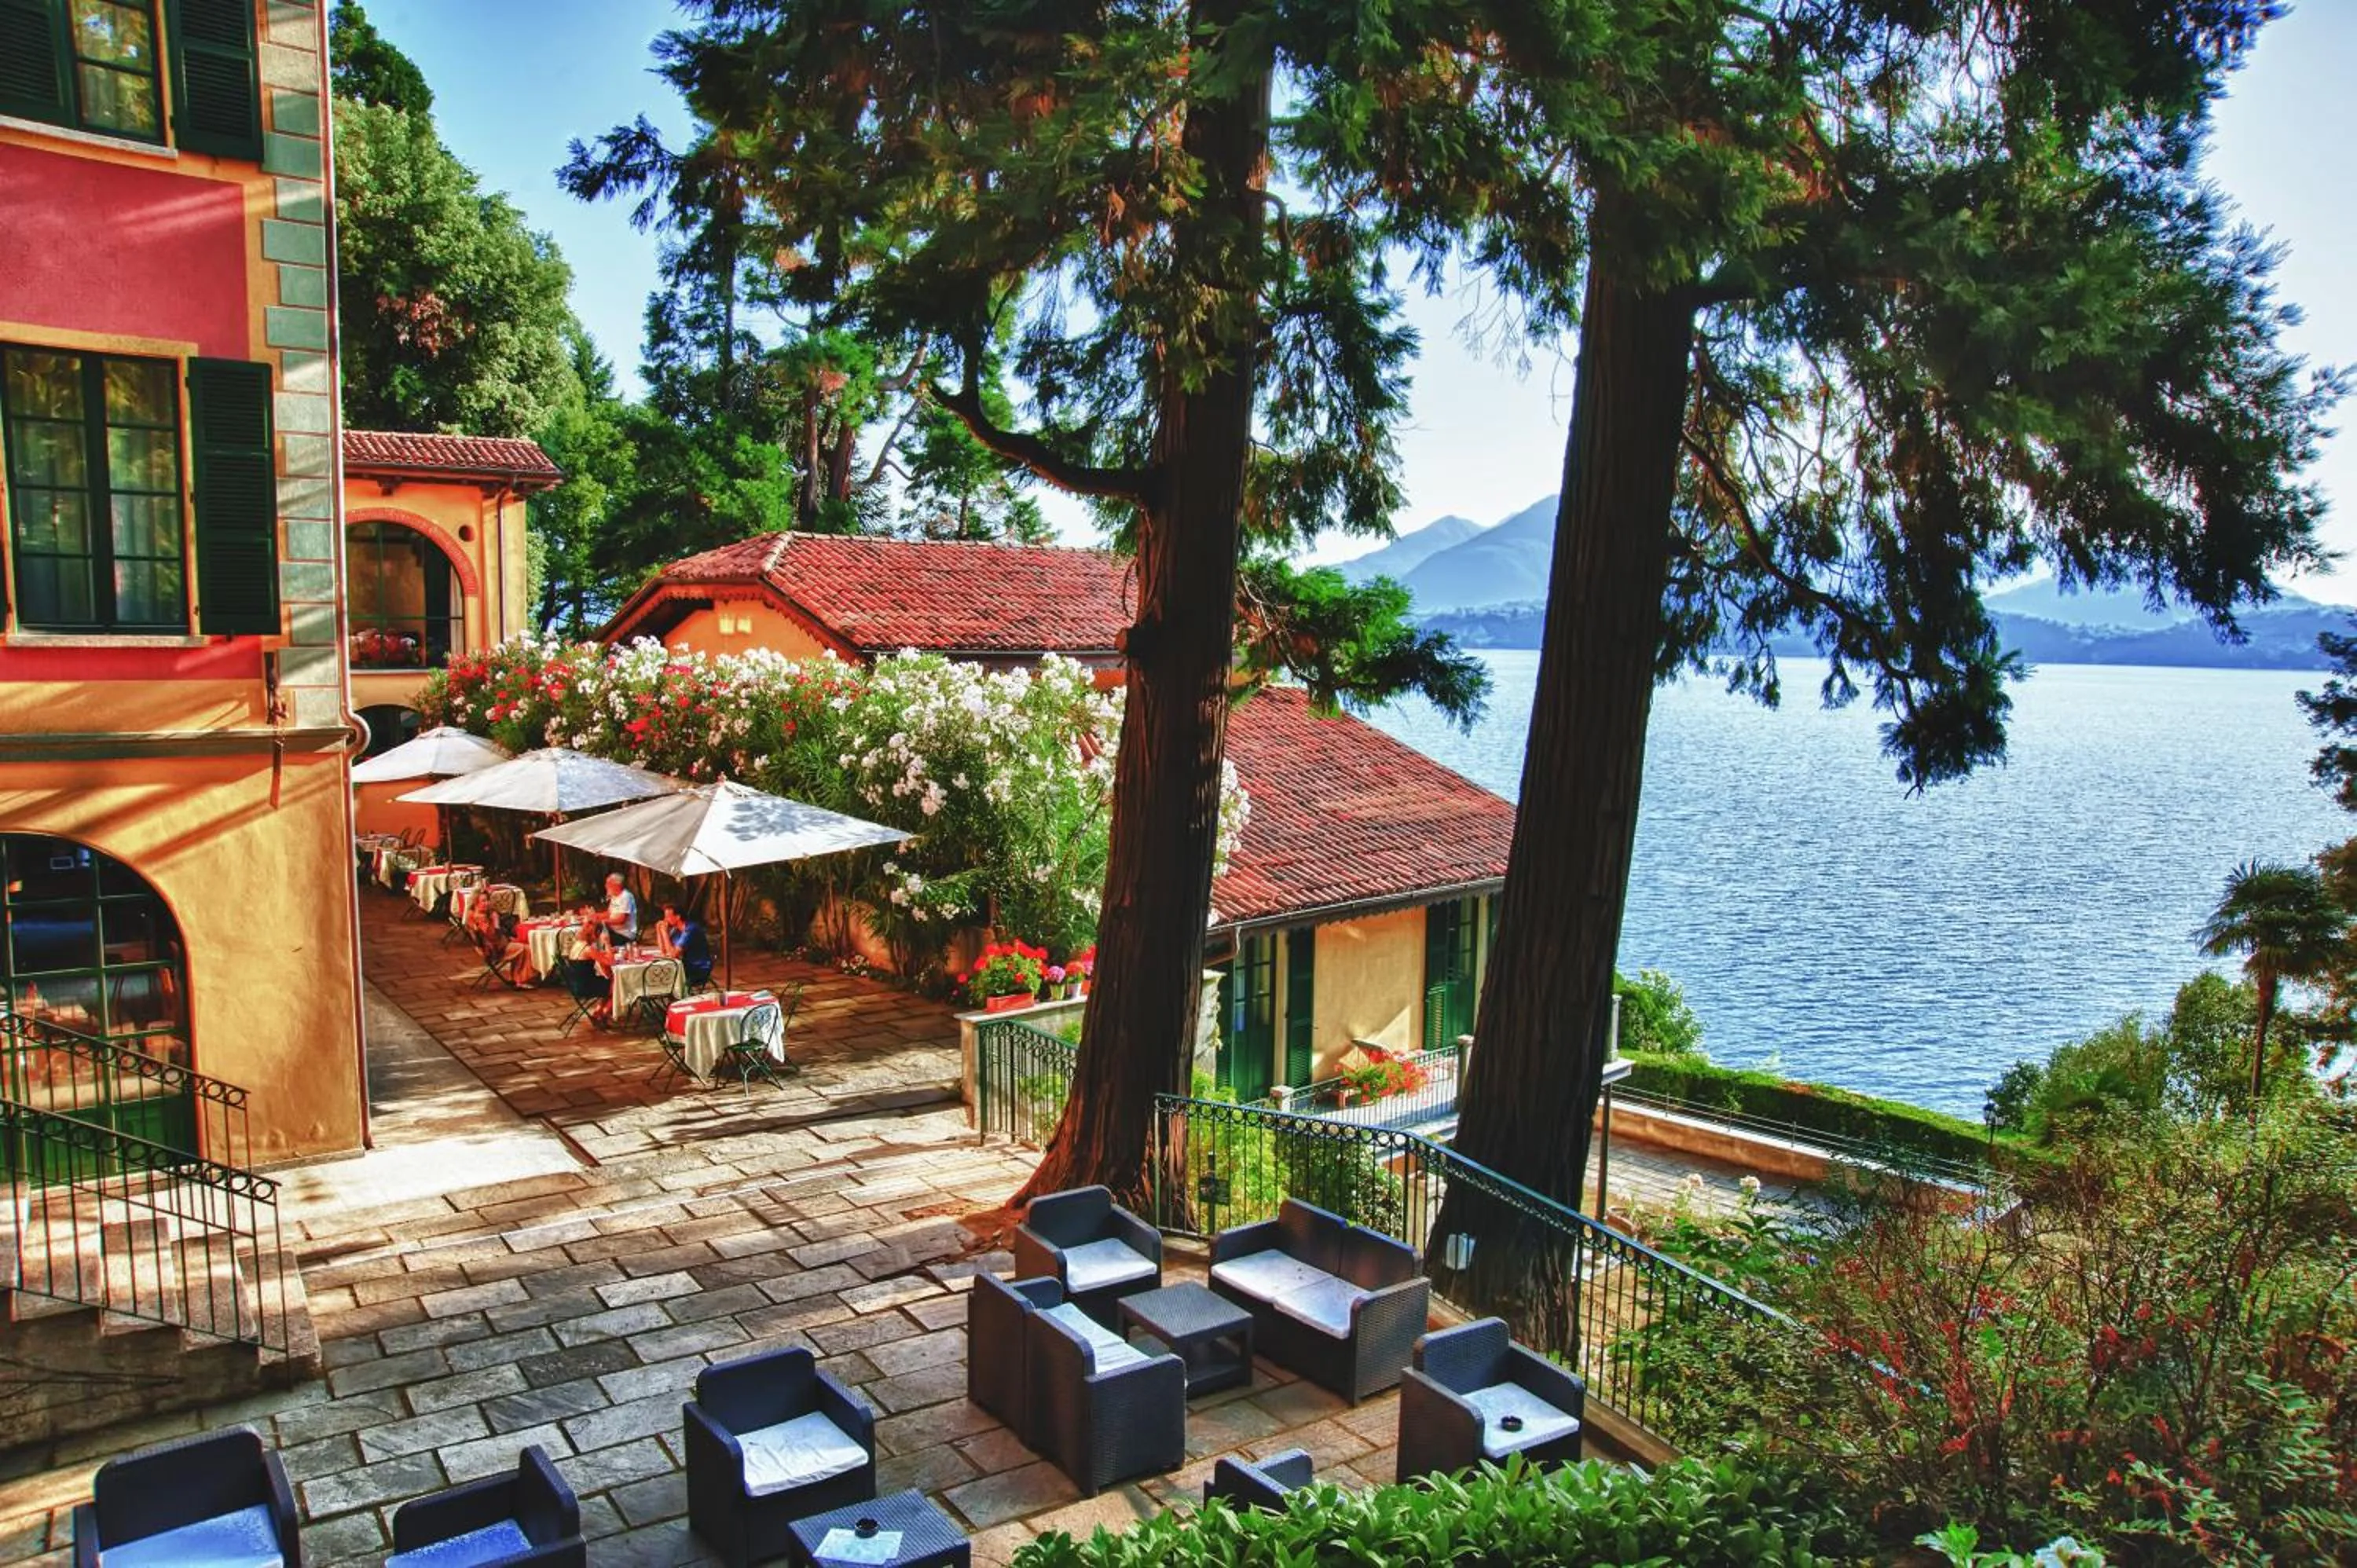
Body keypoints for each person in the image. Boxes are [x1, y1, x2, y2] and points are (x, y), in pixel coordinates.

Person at [657, 901, 714, 989]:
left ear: (678, 917)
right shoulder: (676, 930)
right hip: (684, 965)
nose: (665, 919)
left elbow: (673, 954)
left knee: (664, 975)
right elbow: (664, 950)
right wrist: (659, 931)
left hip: (697, 968)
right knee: (659, 974)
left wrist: (665, 933)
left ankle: (675, 997)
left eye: (668, 917)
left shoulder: (690, 930)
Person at [602, 872, 640, 943]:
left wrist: (602, 922)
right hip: (613, 931)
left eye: (608, 883)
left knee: (597, 934)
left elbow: (621, 920)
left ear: (617, 885)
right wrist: (593, 916)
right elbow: (609, 913)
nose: (606, 886)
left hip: (625, 935)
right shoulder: (614, 896)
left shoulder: (626, 897)